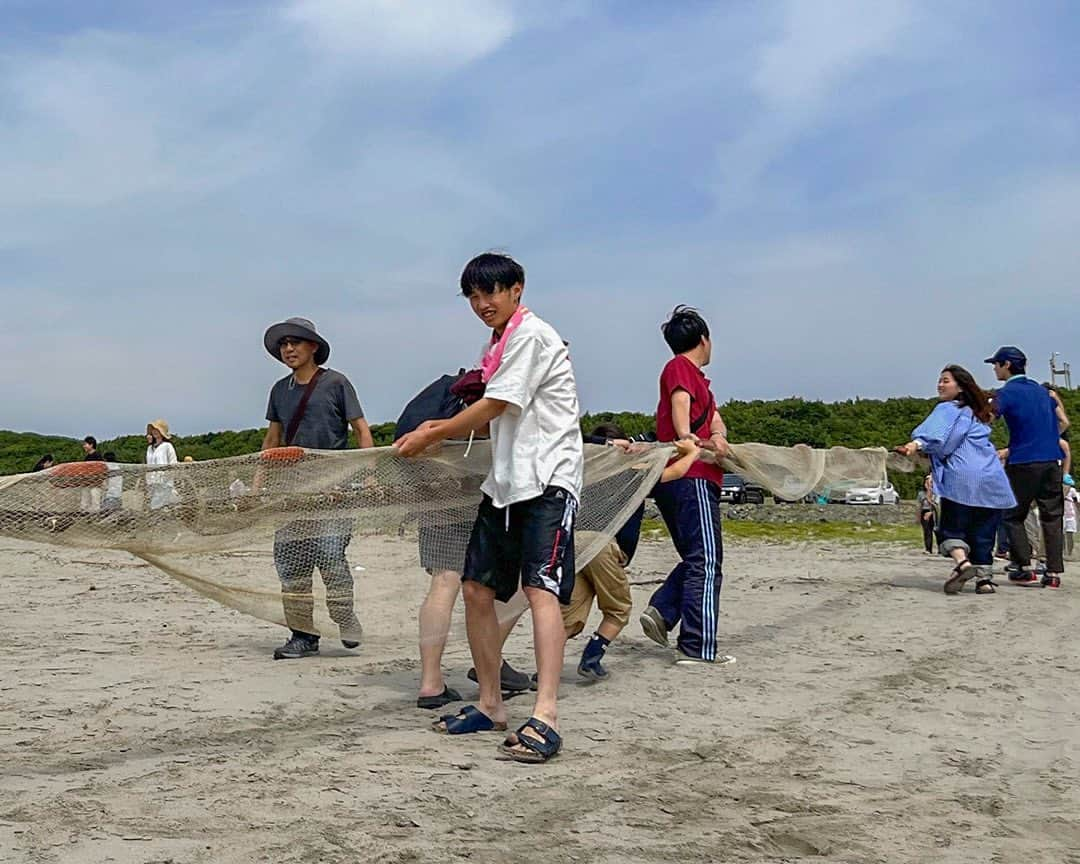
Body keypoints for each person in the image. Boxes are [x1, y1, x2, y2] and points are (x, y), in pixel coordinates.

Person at [395, 252, 583, 764]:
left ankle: (545, 714)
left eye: (491, 293)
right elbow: (490, 411)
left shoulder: (533, 336)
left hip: (547, 480)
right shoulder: (495, 345)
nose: (482, 305)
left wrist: (434, 431)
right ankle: (490, 702)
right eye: (474, 298)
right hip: (503, 484)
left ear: (517, 289)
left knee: (540, 589)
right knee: (476, 589)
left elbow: (498, 404)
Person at [260, 317, 374, 661]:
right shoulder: (280, 390)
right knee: (291, 564)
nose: (289, 349)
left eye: (296, 342)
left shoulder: (336, 383)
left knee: (329, 554)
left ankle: (343, 615)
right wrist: (259, 482)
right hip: (292, 491)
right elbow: (273, 438)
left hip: (333, 489)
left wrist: (368, 474)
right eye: (284, 344)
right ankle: (303, 635)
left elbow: (361, 429)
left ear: (314, 347)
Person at [564, 424, 703, 680]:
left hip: (574, 545)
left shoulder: (581, 468)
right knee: (618, 609)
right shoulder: (632, 472)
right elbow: (676, 471)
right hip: (603, 544)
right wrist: (692, 453)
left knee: (571, 614)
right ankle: (592, 657)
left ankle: (545, 667)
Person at [639, 306, 733, 666]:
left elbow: (716, 419)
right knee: (707, 561)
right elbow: (680, 401)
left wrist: (719, 438)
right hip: (690, 474)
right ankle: (698, 645)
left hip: (686, 474)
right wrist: (686, 436)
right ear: (704, 339)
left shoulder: (702, 384)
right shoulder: (681, 367)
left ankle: (662, 611)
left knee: (697, 556)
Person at [896, 365, 1016, 595]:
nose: (940, 385)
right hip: (992, 479)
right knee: (983, 533)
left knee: (952, 527)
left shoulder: (948, 408)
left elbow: (937, 435)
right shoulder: (979, 414)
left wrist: (914, 445)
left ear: (960, 386)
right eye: (939, 380)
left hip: (963, 477)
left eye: (945, 381)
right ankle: (984, 581)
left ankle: (962, 564)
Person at [986, 346, 1065, 588]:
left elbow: (988, 416)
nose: (995, 369)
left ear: (1006, 365)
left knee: (1013, 514)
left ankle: (1023, 566)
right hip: (1052, 459)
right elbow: (1061, 421)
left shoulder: (1007, 393)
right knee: (1052, 516)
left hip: (1023, 460)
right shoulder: (1043, 392)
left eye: (996, 365)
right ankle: (1052, 572)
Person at [145, 420, 178, 510]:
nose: (155, 431)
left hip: (164, 482)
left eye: (157, 429)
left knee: (156, 507)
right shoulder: (149, 448)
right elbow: (148, 464)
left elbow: (173, 463)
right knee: (153, 506)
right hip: (152, 482)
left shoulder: (167, 446)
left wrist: (167, 476)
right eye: (153, 429)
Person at [1043, 383, 1072, 483]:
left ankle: (1066, 473)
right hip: (1048, 434)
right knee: (1065, 447)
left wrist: (1056, 398)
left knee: (1065, 447)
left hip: (1053, 433)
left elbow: (1063, 419)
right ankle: (1066, 474)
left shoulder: (1052, 404)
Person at [916, 474, 937, 554]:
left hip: (933, 512)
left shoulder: (935, 493)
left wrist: (929, 493)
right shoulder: (921, 493)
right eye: (927, 482)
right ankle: (928, 549)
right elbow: (919, 505)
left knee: (936, 531)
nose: (928, 484)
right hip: (924, 511)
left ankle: (940, 549)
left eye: (930, 482)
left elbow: (935, 504)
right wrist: (918, 516)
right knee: (927, 531)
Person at [1065, 478, 1078, 559]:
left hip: (1070, 515)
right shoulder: (1057, 489)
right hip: (1061, 514)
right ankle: (1062, 552)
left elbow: (1076, 501)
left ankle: (1070, 553)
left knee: (1070, 534)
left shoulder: (1072, 490)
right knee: (1061, 534)